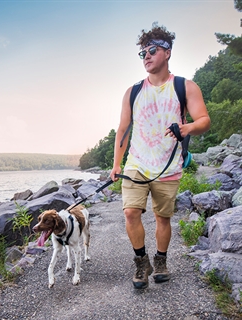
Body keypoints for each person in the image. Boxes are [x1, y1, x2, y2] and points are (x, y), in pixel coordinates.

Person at [110, 24, 211, 289]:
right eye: (142, 52)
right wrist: (116, 165)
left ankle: (162, 260)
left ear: (167, 52)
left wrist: (187, 128)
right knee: (131, 212)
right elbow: (123, 130)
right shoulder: (132, 92)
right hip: (136, 164)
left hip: (168, 166)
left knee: (162, 218)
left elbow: (204, 120)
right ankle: (142, 262)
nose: (146, 56)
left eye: (152, 50)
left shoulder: (184, 87)